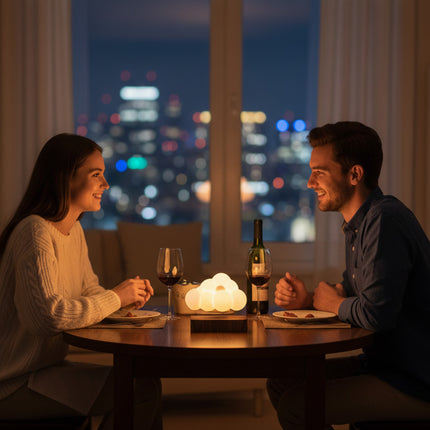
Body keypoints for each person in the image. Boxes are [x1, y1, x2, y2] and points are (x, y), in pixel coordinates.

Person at [267, 121, 430, 428]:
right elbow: (354, 295)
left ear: (354, 175)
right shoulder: (360, 224)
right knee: (281, 381)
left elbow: (377, 314)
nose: (309, 182)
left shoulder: (384, 221)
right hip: (383, 365)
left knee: (296, 406)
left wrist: (328, 303)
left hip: (413, 379)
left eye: (320, 171)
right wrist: (310, 300)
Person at [0, 133, 162, 429]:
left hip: (46, 370)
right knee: (140, 389)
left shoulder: (73, 231)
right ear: (66, 177)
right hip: (14, 381)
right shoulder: (34, 232)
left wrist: (127, 301)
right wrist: (116, 297)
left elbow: (88, 291)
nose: (105, 185)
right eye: (96, 174)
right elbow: (47, 318)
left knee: (142, 382)